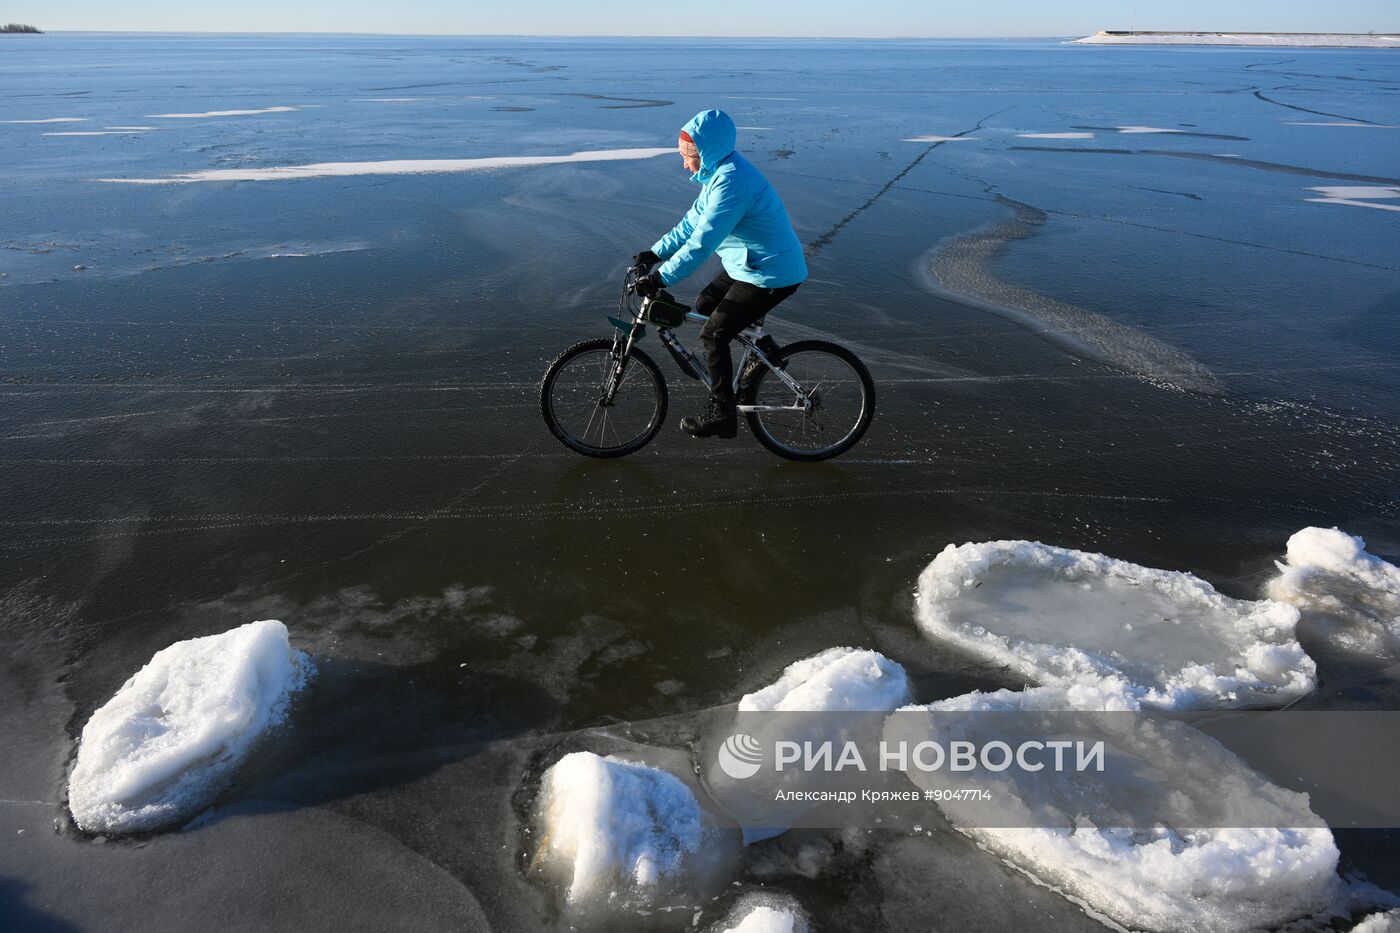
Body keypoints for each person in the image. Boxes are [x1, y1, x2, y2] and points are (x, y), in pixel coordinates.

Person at [634, 109, 808, 439]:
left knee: (713, 334)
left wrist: (661, 278)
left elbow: (702, 242)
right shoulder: (717, 174)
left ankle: (722, 415)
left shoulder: (731, 183)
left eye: (690, 156)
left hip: (770, 272)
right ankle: (765, 353)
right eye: (683, 155)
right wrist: (655, 252)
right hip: (748, 265)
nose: (686, 164)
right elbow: (691, 223)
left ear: (708, 152)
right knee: (705, 304)